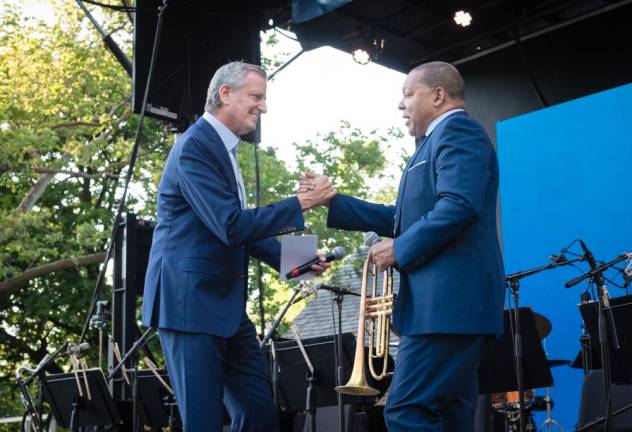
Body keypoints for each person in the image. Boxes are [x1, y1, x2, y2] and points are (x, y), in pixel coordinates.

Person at [142, 61, 335, 432]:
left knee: (261, 416)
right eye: (257, 96)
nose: (264, 107)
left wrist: (300, 260)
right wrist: (300, 203)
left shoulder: (222, 149)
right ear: (225, 94)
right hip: (189, 307)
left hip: (225, 308)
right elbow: (230, 226)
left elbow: (235, 229)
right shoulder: (195, 146)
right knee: (204, 423)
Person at [315, 61, 505, 431]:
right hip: (448, 308)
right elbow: (399, 218)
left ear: (437, 95)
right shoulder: (431, 143)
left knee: (405, 411)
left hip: (447, 307)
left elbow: (459, 205)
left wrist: (398, 249)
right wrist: (333, 201)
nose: (400, 105)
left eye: (407, 94)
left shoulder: (458, 131)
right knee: (451, 417)